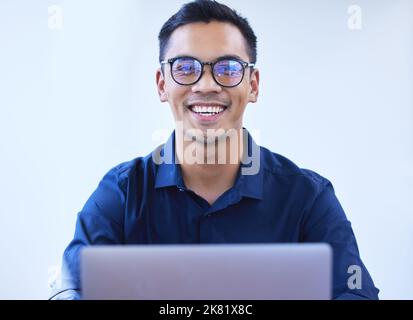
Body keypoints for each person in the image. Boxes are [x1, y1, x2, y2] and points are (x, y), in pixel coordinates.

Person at [50, 0, 379, 300]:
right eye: (185, 67)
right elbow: (72, 288)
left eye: (228, 68)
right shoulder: (122, 193)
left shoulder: (308, 197)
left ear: (253, 85)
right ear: (162, 84)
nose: (206, 84)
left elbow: (355, 294)